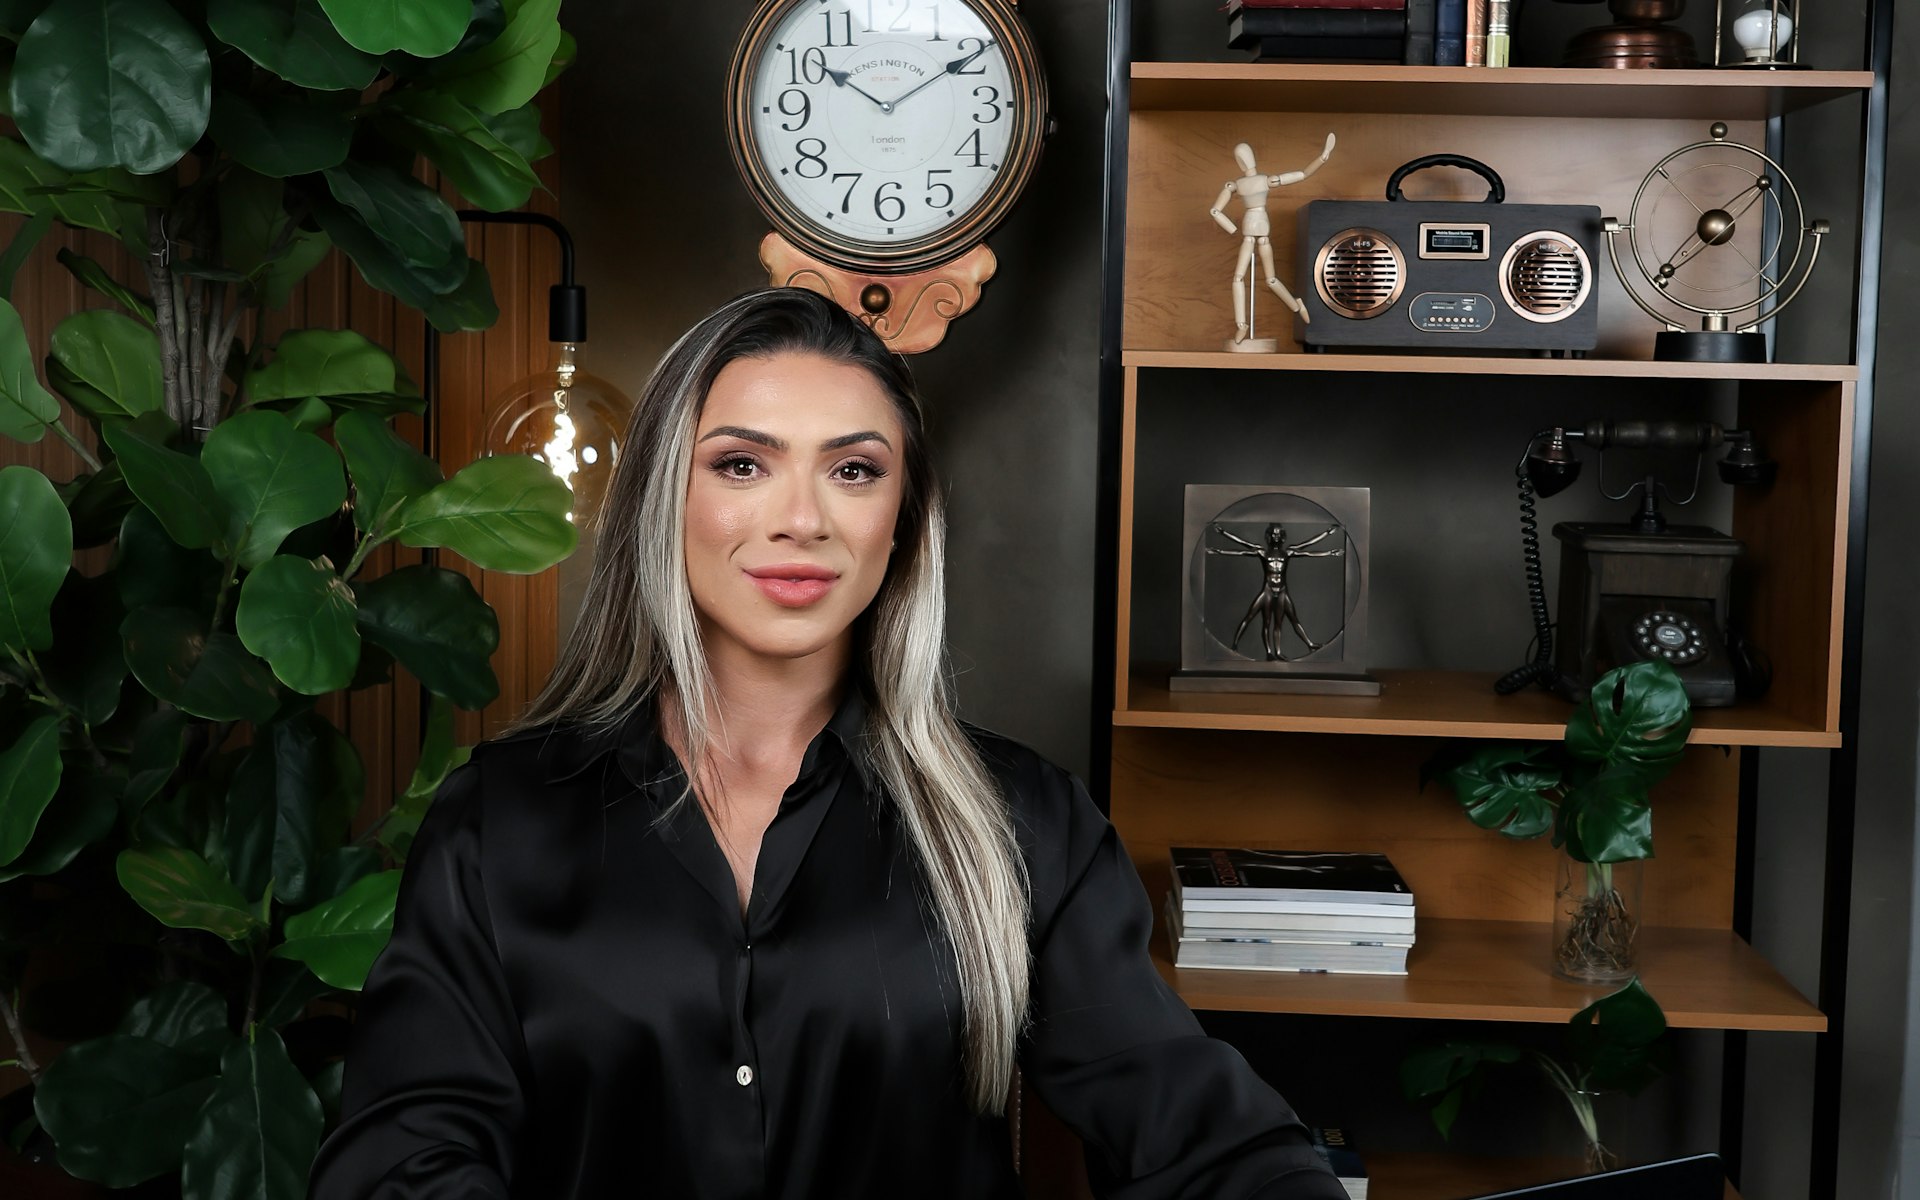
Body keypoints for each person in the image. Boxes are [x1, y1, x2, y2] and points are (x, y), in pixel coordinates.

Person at [307, 288, 1345, 1199]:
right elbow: (403, 1159)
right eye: (744, 464)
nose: (801, 519)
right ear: (665, 500)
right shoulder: (499, 819)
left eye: (853, 471)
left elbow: (1193, 1131)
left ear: (903, 520)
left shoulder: (1025, 824)